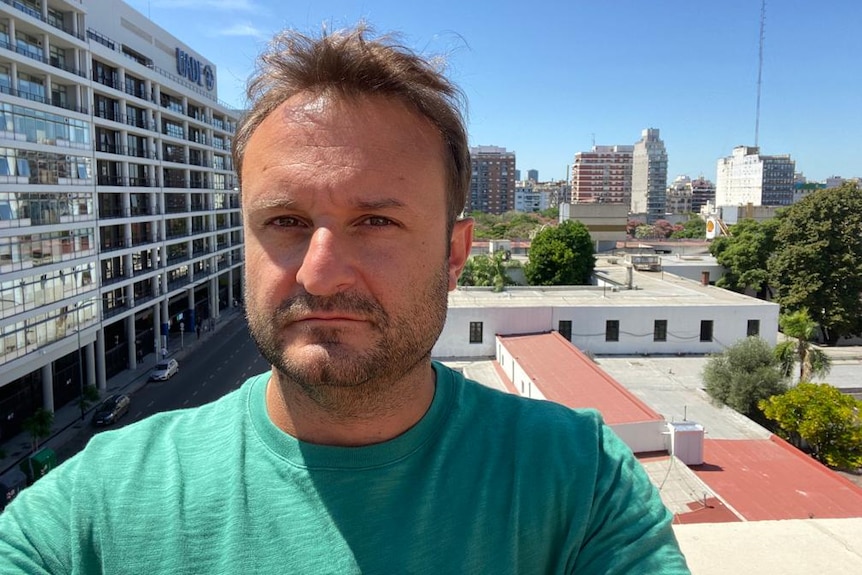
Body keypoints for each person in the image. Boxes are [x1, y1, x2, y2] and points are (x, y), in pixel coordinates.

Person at [0, 25, 689, 574]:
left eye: (376, 222)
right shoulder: (96, 505)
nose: (320, 275)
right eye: (286, 222)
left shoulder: (579, 481)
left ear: (455, 254)